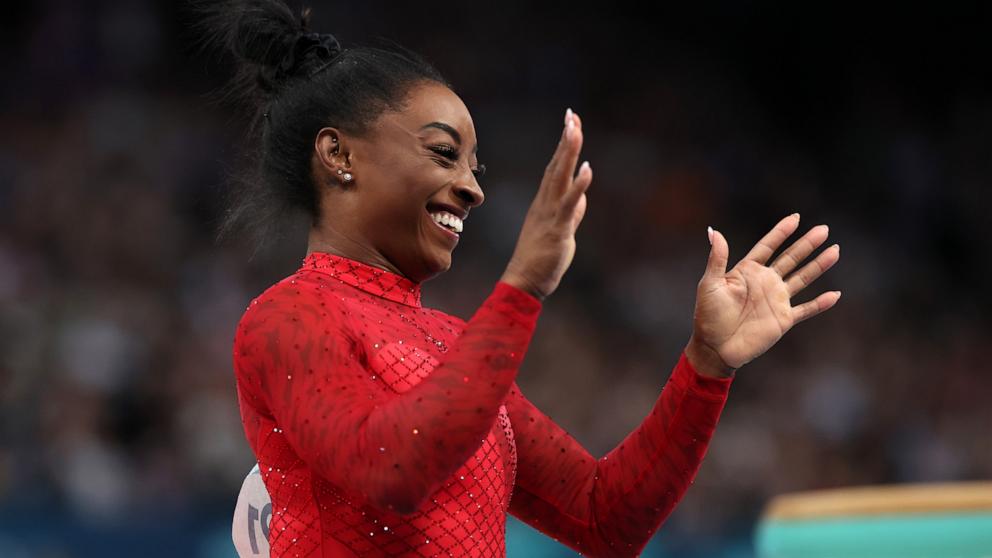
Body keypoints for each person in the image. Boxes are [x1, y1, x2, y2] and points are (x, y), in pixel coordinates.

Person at [205, 1, 842, 556]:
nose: (473, 188)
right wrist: (523, 285)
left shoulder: (454, 344)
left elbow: (604, 520)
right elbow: (393, 471)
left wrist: (705, 368)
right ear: (338, 154)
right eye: (444, 152)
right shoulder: (286, 318)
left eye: (476, 167)